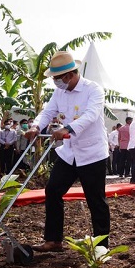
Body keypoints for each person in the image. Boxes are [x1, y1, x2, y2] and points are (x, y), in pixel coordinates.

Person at [25, 50, 111, 252]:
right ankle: (54, 240)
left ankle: (101, 246)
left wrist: (68, 129)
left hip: (92, 153)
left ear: (69, 75)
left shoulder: (93, 90)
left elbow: (91, 115)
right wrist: (36, 127)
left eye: (57, 78)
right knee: (53, 190)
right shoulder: (59, 92)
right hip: (69, 153)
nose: (55, 82)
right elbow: (48, 112)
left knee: (95, 200)